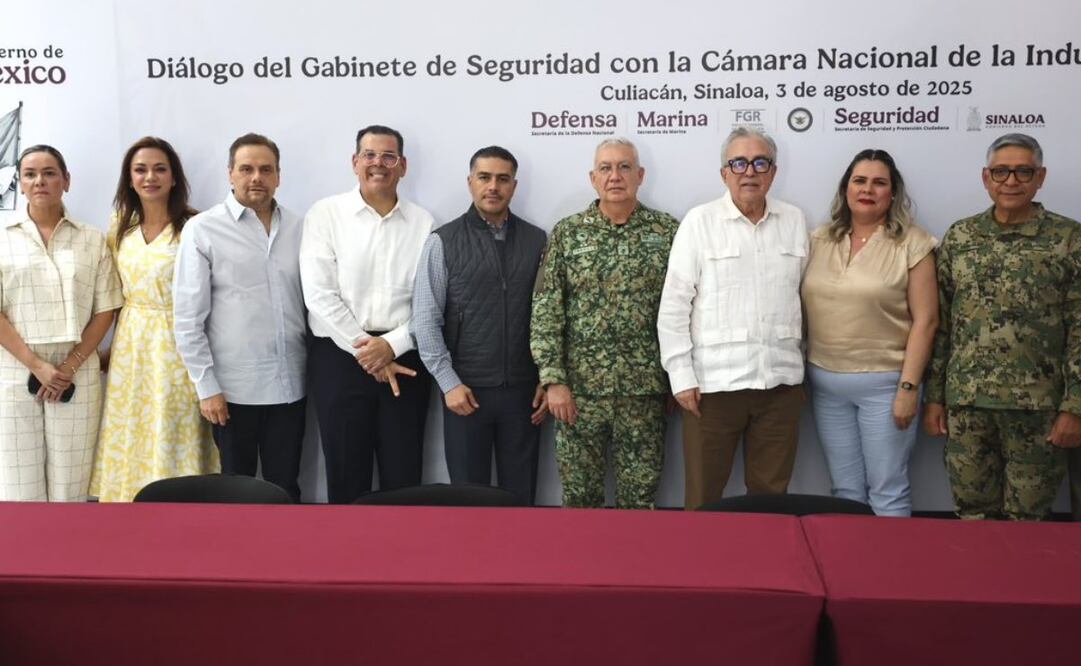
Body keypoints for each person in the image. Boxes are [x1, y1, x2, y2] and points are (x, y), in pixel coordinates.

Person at [925, 133, 1081, 520]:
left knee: (1027, 521)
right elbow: (942, 322)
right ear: (985, 177)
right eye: (1001, 172)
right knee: (972, 515)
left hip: (1037, 409)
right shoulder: (962, 237)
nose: (1011, 181)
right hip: (968, 406)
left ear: (1040, 177)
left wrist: (1075, 407)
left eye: (1022, 171)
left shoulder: (1068, 239)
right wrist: (935, 396)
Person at [658, 126, 808, 511]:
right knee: (705, 499)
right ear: (724, 173)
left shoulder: (794, 222)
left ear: (773, 172)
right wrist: (681, 377)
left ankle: (766, 570)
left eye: (760, 162)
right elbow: (674, 306)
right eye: (738, 163)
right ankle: (701, 571)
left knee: (770, 499)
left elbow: (806, 298)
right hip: (713, 390)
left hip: (780, 387)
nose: (749, 172)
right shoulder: (699, 222)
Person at [531, 138, 678, 509]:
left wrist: (678, 379)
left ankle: (636, 567)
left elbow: (683, 310)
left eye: (625, 167)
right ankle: (579, 568)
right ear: (593, 177)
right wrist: (553, 380)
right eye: (606, 168)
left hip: (644, 394)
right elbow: (547, 309)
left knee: (640, 499)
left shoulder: (667, 233)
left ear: (640, 175)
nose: (615, 176)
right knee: (581, 499)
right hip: (579, 395)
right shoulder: (568, 233)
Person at [800, 149, 938, 516]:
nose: (868, 190)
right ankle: (849, 569)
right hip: (827, 387)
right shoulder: (819, 239)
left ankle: (892, 572)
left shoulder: (913, 243)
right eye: (860, 181)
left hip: (886, 387)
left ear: (892, 194)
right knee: (845, 493)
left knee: (888, 491)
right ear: (846, 189)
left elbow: (926, 321)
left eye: (879, 183)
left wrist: (908, 388)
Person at [301, 124, 434, 503]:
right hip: (339, 360)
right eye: (370, 155)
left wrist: (390, 347)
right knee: (345, 473)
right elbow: (319, 295)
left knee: (403, 475)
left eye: (388, 156)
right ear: (355, 162)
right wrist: (369, 351)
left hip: (405, 358)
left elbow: (430, 302)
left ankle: (404, 558)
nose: (379, 164)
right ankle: (345, 558)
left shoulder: (424, 223)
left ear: (403, 166)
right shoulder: (325, 214)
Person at [173, 133, 307, 501]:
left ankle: (285, 556)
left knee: (286, 486)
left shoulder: (300, 228)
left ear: (279, 175)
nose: (256, 178)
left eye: (266, 169)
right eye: (246, 169)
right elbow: (187, 318)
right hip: (231, 392)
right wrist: (207, 387)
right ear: (230, 174)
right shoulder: (203, 229)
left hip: (291, 385)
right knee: (235, 492)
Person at [412, 146, 548, 504]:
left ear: (514, 186)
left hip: (523, 394)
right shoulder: (443, 241)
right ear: (470, 182)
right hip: (465, 393)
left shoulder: (538, 241)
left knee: (520, 498)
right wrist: (448, 383)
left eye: (502, 179)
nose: (493, 186)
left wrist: (546, 378)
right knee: (468, 501)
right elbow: (425, 321)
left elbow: (550, 316)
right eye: (484, 178)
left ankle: (520, 560)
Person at [90, 137, 219, 501]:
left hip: (180, 343)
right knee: (133, 426)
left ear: (174, 177)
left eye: (160, 169)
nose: (150, 177)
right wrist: (106, 349)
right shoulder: (119, 228)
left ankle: (182, 510)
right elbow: (113, 296)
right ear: (129, 179)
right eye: (140, 170)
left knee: (174, 427)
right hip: (131, 346)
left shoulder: (195, 226)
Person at [0, 145, 123, 501]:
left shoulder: (92, 239)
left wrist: (67, 368)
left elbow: (106, 310)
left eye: (50, 173)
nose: (40, 181)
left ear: (66, 181)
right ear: (20, 183)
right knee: (18, 485)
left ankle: (71, 557)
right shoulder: (2, 237)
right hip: (14, 368)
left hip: (77, 370)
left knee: (72, 482)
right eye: (30, 174)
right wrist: (36, 365)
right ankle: (23, 557)